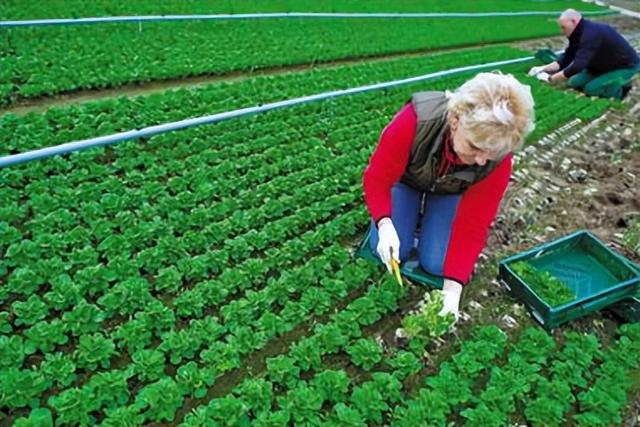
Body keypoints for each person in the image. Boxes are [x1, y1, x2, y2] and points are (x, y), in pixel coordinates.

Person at [362, 72, 535, 321]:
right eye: (475, 146)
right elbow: (377, 178)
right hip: (407, 181)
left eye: (491, 152)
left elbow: (475, 222)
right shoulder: (416, 120)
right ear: (455, 120)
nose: (481, 160)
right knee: (392, 252)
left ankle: (425, 219)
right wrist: (384, 224)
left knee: (437, 264)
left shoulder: (496, 159)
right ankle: (403, 220)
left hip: (450, 190)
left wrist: (453, 291)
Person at [528, 9, 639, 99]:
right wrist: (542, 68)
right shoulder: (577, 34)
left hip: (624, 66)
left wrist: (552, 79)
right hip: (600, 66)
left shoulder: (591, 34)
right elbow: (566, 58)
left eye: (563, 27)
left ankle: (621, 89)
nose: (562, 31)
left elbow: (578, 65)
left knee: (591, 89)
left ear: (574, 21)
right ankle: (602, 79)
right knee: (573, 82)